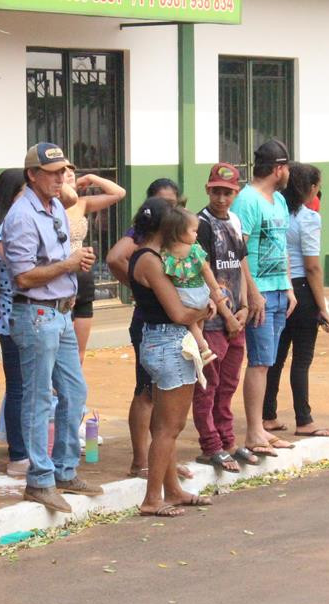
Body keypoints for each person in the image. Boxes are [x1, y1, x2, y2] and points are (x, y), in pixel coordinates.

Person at [2, 143, 102, 512]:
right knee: (38, 396)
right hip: (37, 314)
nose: (62, 178)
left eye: (64, 171)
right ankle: (39, 479)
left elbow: (59, 259)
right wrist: (69, 265)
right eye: (54, 172)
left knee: (74, 392)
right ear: (33, 174)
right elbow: (24, 276)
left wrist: (75, 266)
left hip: (59, 312)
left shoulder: (56, 206)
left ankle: (63, 468)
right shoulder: (22, 216)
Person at [128, 201, 214, 517]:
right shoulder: (150, 260)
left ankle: (173, 490)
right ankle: (152, 498)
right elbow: (178, 312)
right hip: (168, 342)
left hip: (159, 341)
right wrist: (207, 309)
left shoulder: (145, 256)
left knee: (166, 424)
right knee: (169, 427)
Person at [106, 180, 192, 480]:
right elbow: (115, 258)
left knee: (165, 411)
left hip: (162, 326)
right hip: (155, 328)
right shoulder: (146, 251)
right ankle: (143, 463)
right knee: (149, 396)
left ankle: (162, 467)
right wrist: (147, 287)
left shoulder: (165, 245)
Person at [231, 140, 298, 457]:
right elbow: (238, 251)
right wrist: (251, 293)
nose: (288, 174)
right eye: (286, 168)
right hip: (258, 292)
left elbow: (281, 246)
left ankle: (260, 429)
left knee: (267, 361)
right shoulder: (247, 201)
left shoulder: (279, 201)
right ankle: (254, 432)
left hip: (278, 290)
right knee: (258, 362)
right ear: (278, 169)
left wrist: (288, 287)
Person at [264, 163, 329, 439]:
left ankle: (268, 414)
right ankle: (303, 419)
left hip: (276, 287)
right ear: (311, 188)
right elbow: (313, 267)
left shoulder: (275, 211)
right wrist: (322, 306)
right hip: (302, 289)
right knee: (301, 359)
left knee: (275, 358)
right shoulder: (308, 218)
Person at [192, 163, 255, 472]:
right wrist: (229, 315)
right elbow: (204, 273)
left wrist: (244, 305)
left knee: (228, 384)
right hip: (214, 319)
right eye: (216, 191)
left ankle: (228, 440)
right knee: (209, 385)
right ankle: (211, 445)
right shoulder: (200, 225)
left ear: (236, 193)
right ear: (208, 189)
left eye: (227, 193)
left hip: (235, 319)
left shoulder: (233, 220)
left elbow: (240, 264)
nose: (221, 198)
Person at [0, 168, 31, 477]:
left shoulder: (6, 224)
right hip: (14, 317)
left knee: (25, 387)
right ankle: (19, 453)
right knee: (21, 388)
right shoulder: (9, 229)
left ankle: (23, 449)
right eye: (24, 191)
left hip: (13, 316)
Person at [61, 167, 126, 361]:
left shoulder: (82, 203)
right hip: (60, 275)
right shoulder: (48, 207)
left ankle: (72, 388)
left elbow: (119, 193)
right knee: (59, 348)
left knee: (79, 352)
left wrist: (91, 177)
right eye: (62, 171)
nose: (70, 173)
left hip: (82, 274)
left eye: (71, 169)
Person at [158, 208, 229, 373]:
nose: (196, 235)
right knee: (197, 323)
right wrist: (216, 291)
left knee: (192, 325)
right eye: (194, 231)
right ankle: (203, 348)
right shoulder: (195, 250)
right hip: (200, 294)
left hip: (182, 297)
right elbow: (206, 271)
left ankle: (200, 346)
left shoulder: (165, 254)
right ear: (180, 232)